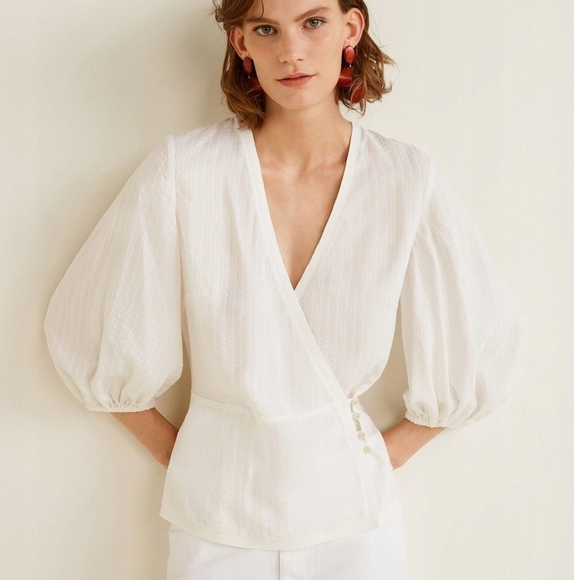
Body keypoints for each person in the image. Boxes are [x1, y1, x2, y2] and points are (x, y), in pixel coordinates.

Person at [44, 0, 527, 578]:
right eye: (266, 29)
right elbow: (95, 332)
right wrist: (198, 463)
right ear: (241, 42)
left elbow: (481, 343)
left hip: (355, 523)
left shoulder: (403, 178)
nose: (291, 52)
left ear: (351, 28)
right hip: (216, 524)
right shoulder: (187, 171)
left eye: (313, 22)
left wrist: (374, 458)